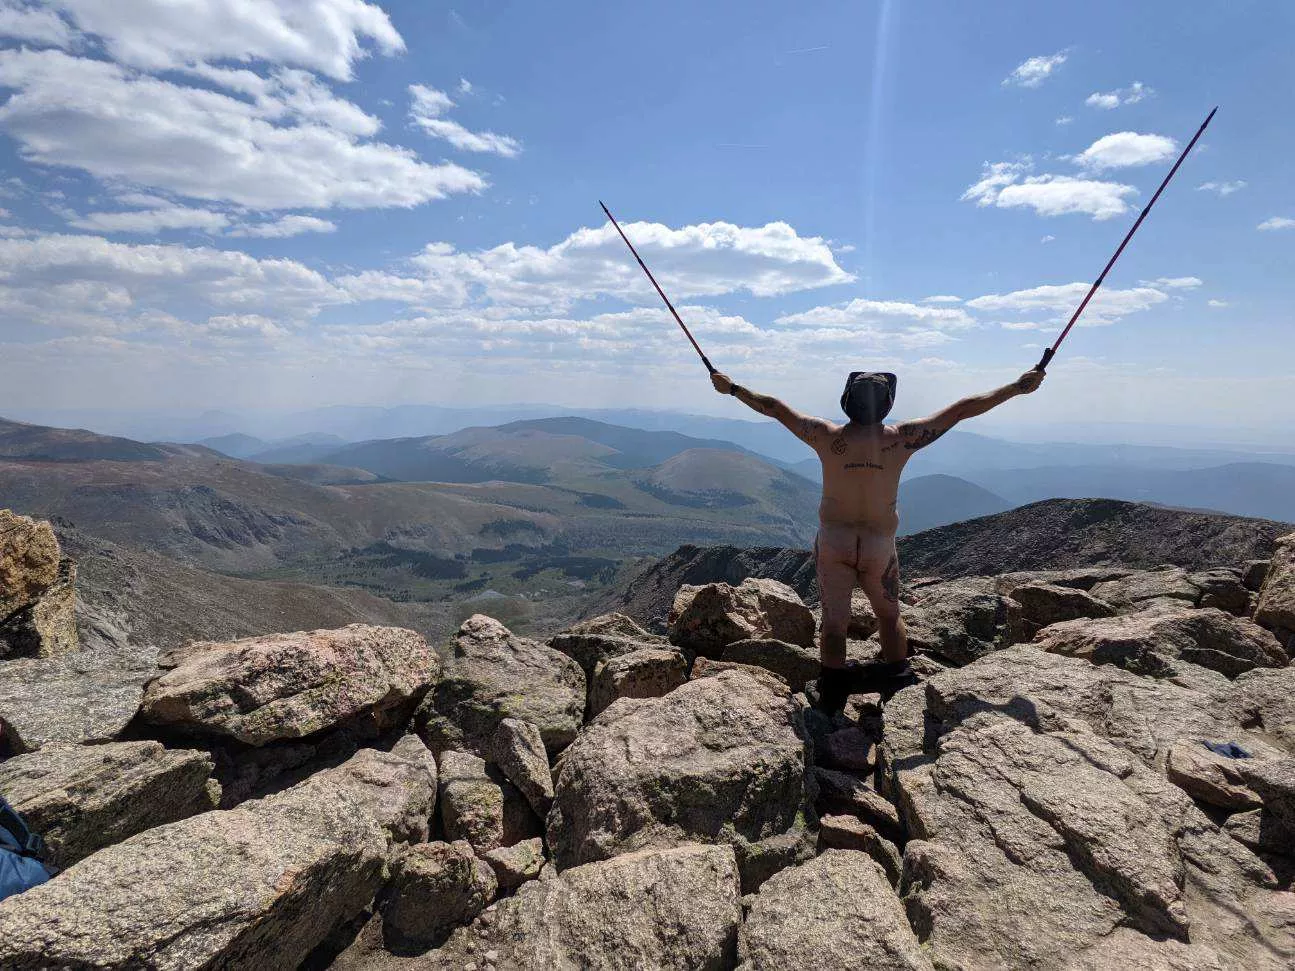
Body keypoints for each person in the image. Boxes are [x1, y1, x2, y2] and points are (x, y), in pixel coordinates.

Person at [711, 366, 1045, 711]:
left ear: (846, 402)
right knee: (888, 614)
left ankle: (832, 695)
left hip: (834, 542)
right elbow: (962, 409)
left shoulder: (825, 436)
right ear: (887, 404)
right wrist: (1016, 387)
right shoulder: (902, 439)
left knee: (834, 623)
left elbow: (775, 408)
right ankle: (897, 681)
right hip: (879, 546)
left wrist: (733, 388)